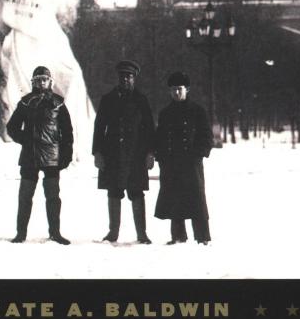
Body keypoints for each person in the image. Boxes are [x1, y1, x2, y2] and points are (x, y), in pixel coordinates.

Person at [6, 65, 73, 245]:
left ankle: (55, 233)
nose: (42, 82)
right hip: (30, 156)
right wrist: (25, 140)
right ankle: (21, 234)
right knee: (25, 196)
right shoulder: (25, 102)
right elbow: (11, 127)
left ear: (49, 82)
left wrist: (66, 154)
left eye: (45, 79)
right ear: (34, 82)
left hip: (52, 156)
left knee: (53, 197)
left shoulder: (59, 103)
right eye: (38, 80)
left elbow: (68, 132)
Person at [92, 60, 155, 244]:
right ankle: (113, 232)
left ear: (134, 78)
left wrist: (150, 153)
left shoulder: (141, 100)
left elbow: (150, 128)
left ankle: (141, 234)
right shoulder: (108, 99)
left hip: (136, 155)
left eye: (129, 76)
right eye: (123, 76)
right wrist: (97, 153)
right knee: (113, 192)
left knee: (137, 193)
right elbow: (99, 128)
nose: (126, 79)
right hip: (113, 155)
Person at [154, 70, 214, 244]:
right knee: (174, 200)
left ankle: (202, 237)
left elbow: (206, 137)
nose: (177, 93)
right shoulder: (165, 113)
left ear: (187, 90)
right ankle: (178, 237)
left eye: (180, 89)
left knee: (197, 201)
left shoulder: (197, 111)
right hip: (171, 164)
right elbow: (160, 137)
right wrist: (161, 157)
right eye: (173, 89)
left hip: (191, 164)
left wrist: (198, 154)